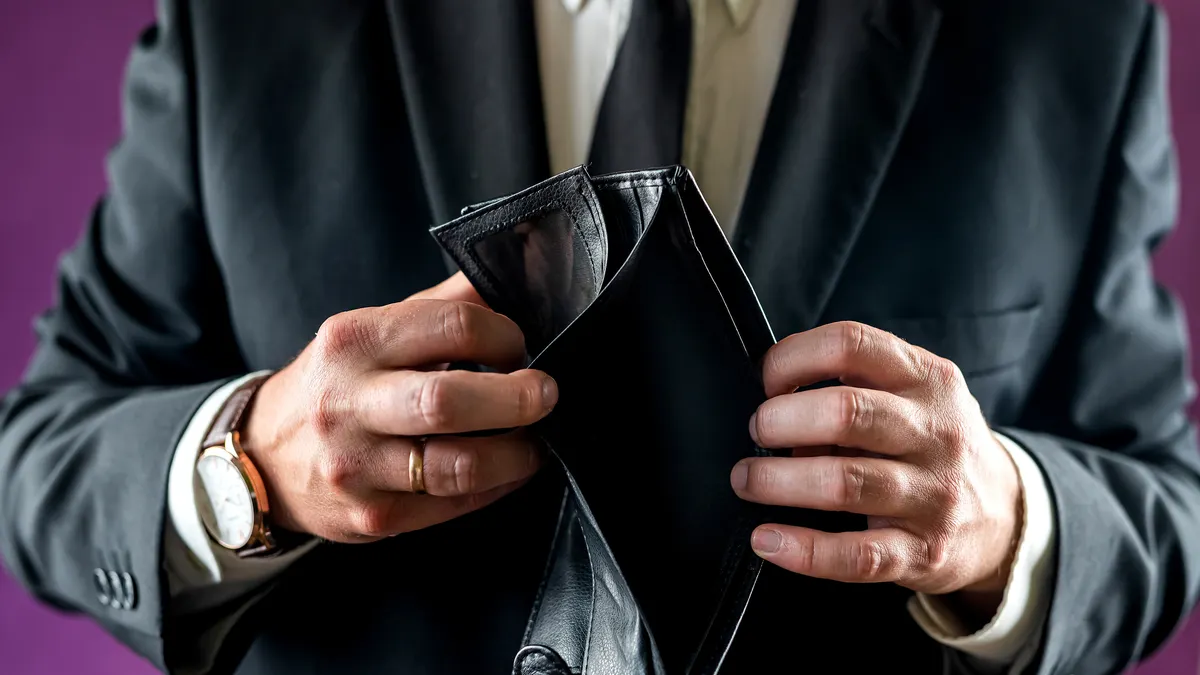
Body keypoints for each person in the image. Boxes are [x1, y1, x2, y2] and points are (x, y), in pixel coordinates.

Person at [1, 0, 1198, 673]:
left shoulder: (1073, 34)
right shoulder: (239, 24)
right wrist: (251, 465)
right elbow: (42, 450)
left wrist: (1008, 520)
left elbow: (1163, 495)